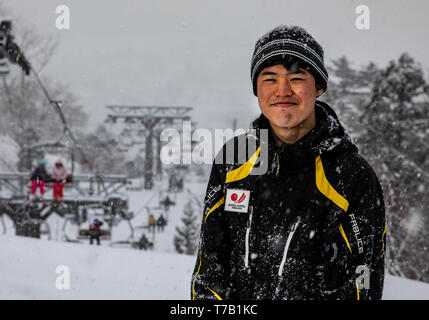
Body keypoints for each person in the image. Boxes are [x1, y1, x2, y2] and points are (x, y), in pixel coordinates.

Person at [191, 25, 386, 300]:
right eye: (270, 78)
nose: (282, 91)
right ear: (256, 89)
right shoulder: (234, 158)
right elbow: (208, 269)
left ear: (318, 86)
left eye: (296, 78)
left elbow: (363, 282)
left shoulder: (351, 175)